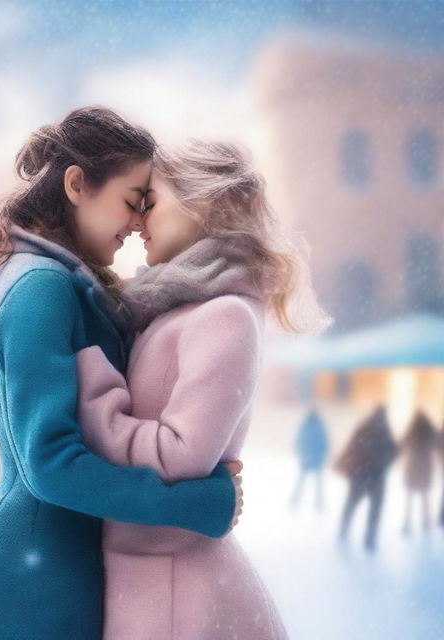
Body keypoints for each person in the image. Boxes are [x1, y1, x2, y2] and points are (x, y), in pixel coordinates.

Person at [0, 107, 243, 640]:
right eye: (133, 201)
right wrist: (192, 504)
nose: (138, 223)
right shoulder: (39, 285)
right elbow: (50, 465)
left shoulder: (53, 278)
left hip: (45, 563)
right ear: (77, 184)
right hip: (25, 579)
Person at [75, 139, 330, 639]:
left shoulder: (225, 316)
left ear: (205, 202)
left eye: (150, 202)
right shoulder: (173, 309)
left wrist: (92, 386)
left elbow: (179, 456)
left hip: (174, 587)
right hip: (149, 573)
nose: (137, 221)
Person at [336, 404, 397, 552]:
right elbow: (395, 451)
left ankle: (344, 529)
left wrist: (348, 463)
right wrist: (384, 463)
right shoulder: (386, 431)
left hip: (360, 473)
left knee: (351, 503)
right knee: (374, 510)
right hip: (377, 476)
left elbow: (351, 446)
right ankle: (370, 539)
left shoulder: (364, 427)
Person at [399, 410, 438, 534]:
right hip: (425, 467)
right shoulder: (429, 431)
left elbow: (401, 444)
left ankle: (407, 522)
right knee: (424, 496)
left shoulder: (412, 430)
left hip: (413, 466)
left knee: (409, 497)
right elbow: (439, 444)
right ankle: (425, 522)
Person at [291, 406, 329, 511]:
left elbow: (299, 441)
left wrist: (302, 455)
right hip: (313, 459)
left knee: (306, 482)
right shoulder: (319, 426)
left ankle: (297, 501)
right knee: (314, 483)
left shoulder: (306, 426)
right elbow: (324, 443)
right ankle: (317, 503)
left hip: (308, 459)